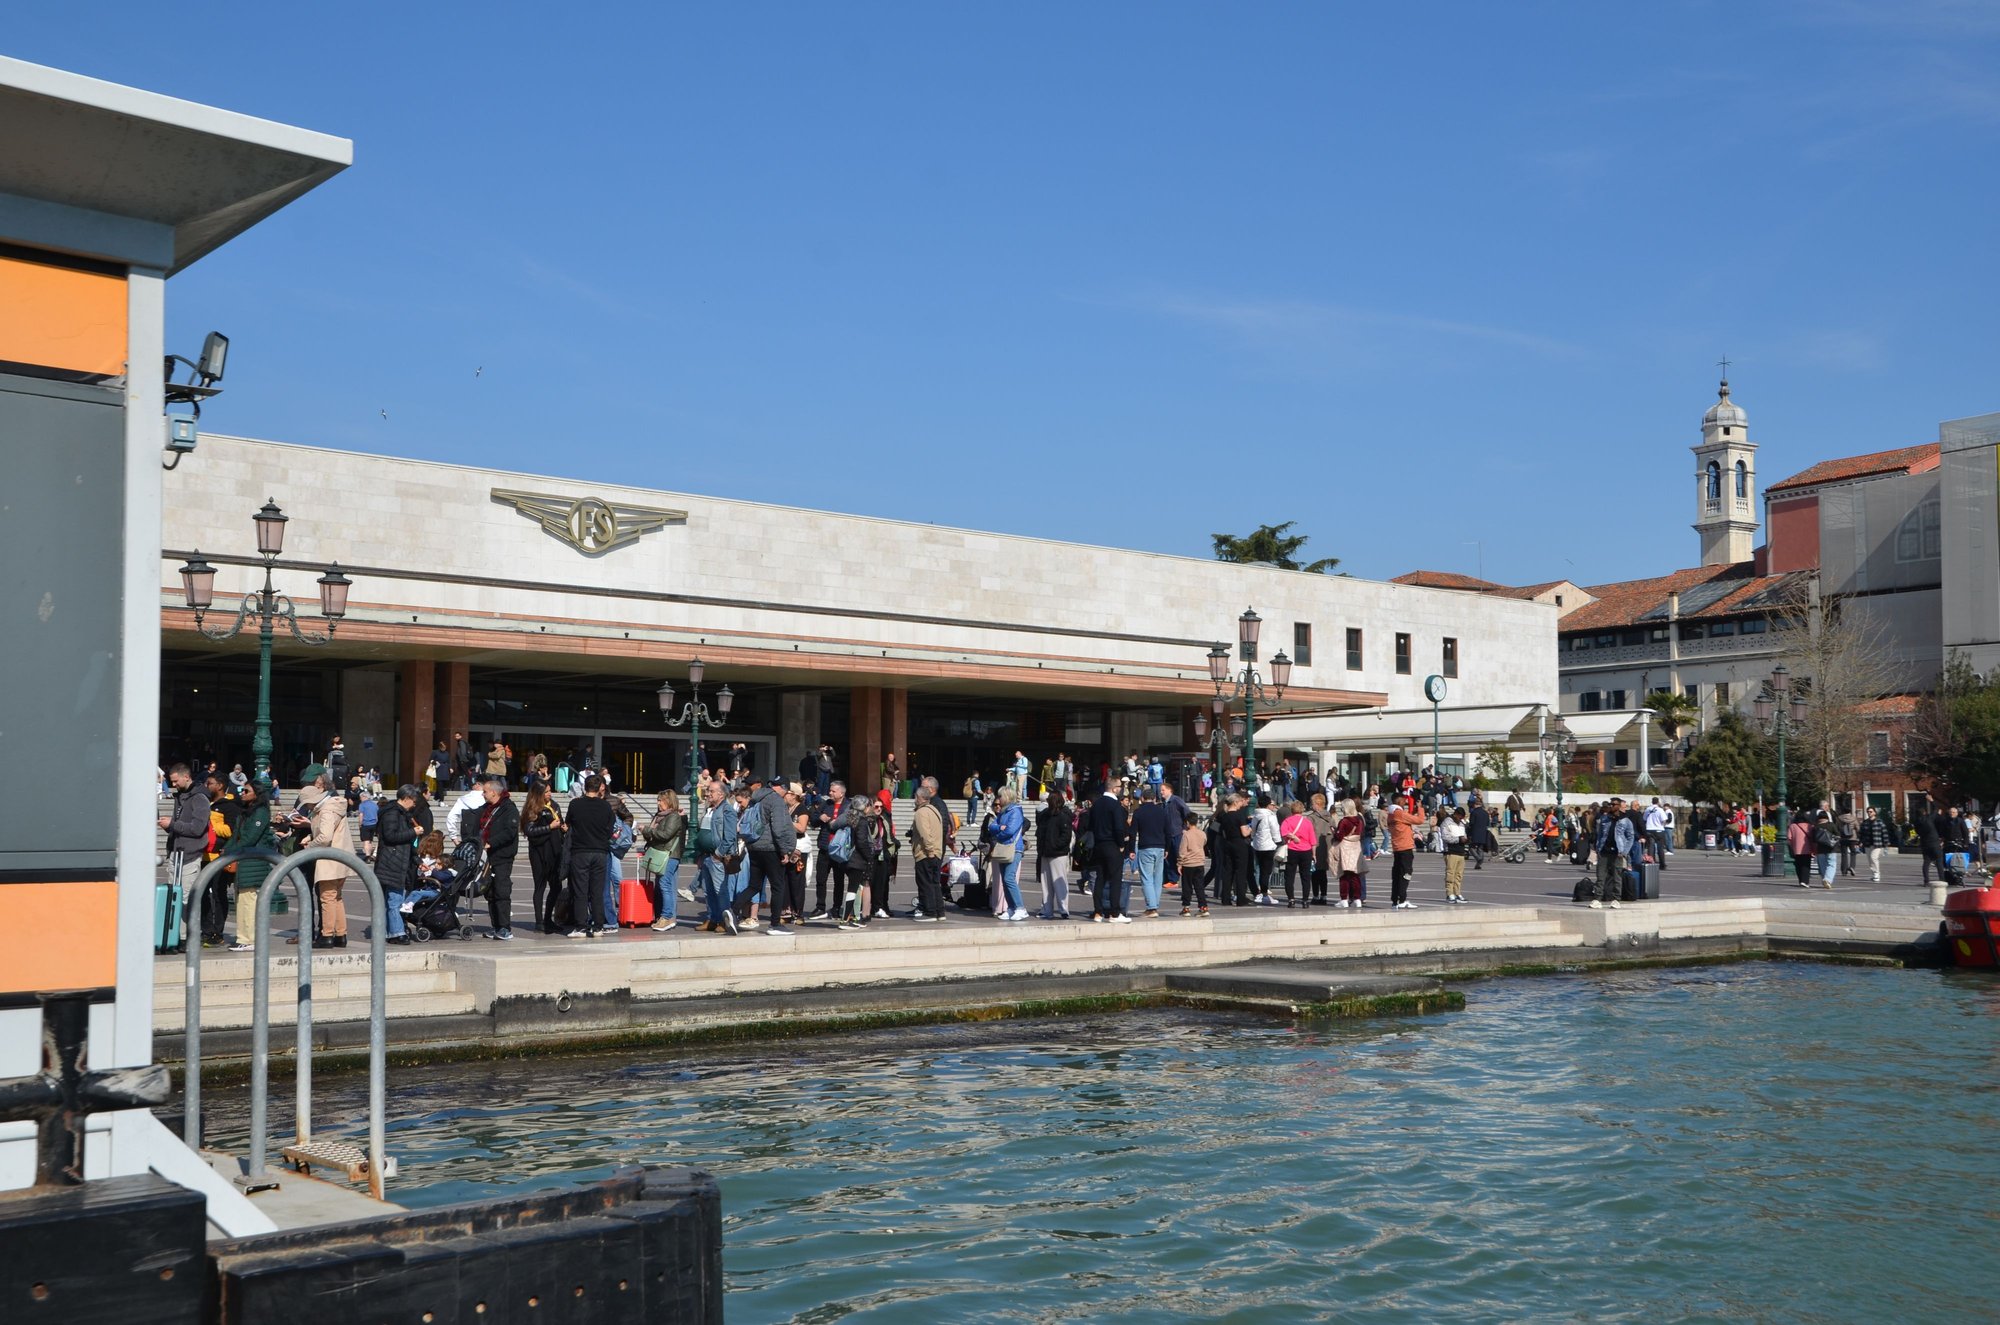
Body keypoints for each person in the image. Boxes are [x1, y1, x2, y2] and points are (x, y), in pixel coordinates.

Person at [295, 763, 354, 947]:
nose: (309, 806)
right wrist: (311, 835)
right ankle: (340, 934)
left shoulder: (326, 810)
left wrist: (310, 844)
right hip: (341, 856)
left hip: (329, 858)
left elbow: (325, 837)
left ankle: (327, 934)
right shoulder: (333, 805)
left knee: (327, 897)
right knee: (336, 897)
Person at [157, 763, 210, 950]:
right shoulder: (181, 797)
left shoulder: (200, 798)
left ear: (186, 777)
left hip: (189, 855)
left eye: (175, 781)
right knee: (175, 897)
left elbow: (197, 828)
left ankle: (185, 938)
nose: (174, 785)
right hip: (177, 854)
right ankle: (174, 936)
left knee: (185, 898)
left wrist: (173, 824)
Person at [461, 775, 520, 939]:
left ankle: (505, 928)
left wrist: (491, 842)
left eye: (485, 792)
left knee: (502, 891)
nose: (483, 794)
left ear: (494, 792)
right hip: (485, 857)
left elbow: (510, 832)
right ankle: (496, 926)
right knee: (490, 892)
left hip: (501, 856)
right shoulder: (486, 808)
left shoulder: (509, 808)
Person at [222, 782, 275, 952]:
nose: (242, 793)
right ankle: (244, 937)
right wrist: (226, 850)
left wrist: (229, 851)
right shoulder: (245, 813)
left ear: (257, 794)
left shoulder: (261, 812)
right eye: (241, 790)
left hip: (253, 862)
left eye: (246, 791)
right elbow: (236, 835)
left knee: (248, 902)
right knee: (242, 900)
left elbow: (250, 839)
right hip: (243, 861)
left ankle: (248, 938)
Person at [563, 775, 614, 938]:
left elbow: (569, 823)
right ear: (599, 787)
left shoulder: (575, 804)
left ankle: (581, 926)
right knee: (597, 890)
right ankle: (598, 926)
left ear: (585, 787)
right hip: (600, 851)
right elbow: (610, 827)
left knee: (581, 890)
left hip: (581, 851)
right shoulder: (605, 806)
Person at [374, 785, 424, 945]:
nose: (414, 804)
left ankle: (389, 931)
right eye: (414, 801)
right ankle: (396, 932)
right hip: (392, 862)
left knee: (391, 899)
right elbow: (390, 836)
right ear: (407, 798)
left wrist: (417, 861)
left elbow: (406, 843)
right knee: (394, 899)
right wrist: (413, 833)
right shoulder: (393, 813)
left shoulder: (400, 813)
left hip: (396, 860)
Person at [809, 782, 856, 920]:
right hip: (825, 847)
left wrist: (835, 822)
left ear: (841, 793)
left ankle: (836, 907)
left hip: (839, 849)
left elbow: (851, 822)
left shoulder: (849, 805)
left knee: (839, 880)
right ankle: (820, 906)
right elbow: (813, 820)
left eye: (833, 791)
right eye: (830, 790)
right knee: (821, 879)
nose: (830, 793)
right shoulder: (826, 804)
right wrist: (820, 818)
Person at [523, 784, 566, 933]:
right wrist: (549, 827)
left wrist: (563, 827)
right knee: (540, 886)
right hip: (539, 851)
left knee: (556, 886)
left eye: (550, 791)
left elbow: (560, 820)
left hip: (554, 850)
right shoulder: (534, 807)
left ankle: (548, 919)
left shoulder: (554, 805)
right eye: (546, 791)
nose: (550, 794)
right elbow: (529, 830)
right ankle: (539, 921)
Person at [1088, 780, 1132, 923]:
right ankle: (1114, 912)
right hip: (1112, 845)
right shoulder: (1115, 806)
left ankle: (1098, 912)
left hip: (1098, 845)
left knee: (1100, 878)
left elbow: (1091, 825)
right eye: (1120, 787)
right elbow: (1119, 828)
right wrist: (1121, 844)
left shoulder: (1097, 804)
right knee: (1115, 879)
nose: (1121, 789)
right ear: (1114, 789)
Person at [644, 790, 687, 931]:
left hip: (669, 855)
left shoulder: (673, 816)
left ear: (669, 801)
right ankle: (664, 916)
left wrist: (647, 830)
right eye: (657, 800)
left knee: (665, 884)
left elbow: (665, 834)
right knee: (663, 884)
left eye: (661, 800)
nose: (658, 803)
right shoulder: (660, 817)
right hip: (661, 854)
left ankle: (667, 917)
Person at [984, 785, 1029, 921]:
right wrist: (999, 828)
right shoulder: (1004, 812)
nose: (999, 799)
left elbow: (1010, 830)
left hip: (1014, 848)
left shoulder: (1015, 811)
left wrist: (999, 833)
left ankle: (1020, 908)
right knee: (1005, 879)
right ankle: (1011, 908)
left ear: (1008, 797)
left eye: (1000, 796)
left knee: (1009, 878)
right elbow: (991, 826)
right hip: (1005, 847)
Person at [1130, 784, 1172, 918]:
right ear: (1154, 798)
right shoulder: (1162, 811)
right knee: (1158, 878)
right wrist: (1167, 848)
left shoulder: (1138, 812)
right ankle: (1155, 905)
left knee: (1147, 878)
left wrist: (1131, 849)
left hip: (1145, 846)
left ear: (1142, 798)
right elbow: (1168, 832)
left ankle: (1151, 907)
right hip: (1160, 846)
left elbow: (1132, 833)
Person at [910, 786, 949, 922]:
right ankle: (940, 912)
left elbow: (925, 834)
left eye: (915, 797)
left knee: (925, 883)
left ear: (920, 798)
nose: (914, 800)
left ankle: (930, 912)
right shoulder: (934, 810)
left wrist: (930, 851)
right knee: (935, 883)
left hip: (926, 854)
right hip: (936, 852)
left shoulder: (921, 812)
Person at [1586, 796, 1631, 909]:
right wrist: (1598, 847)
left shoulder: (1625, 820)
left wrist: (1625, 851)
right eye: (1610, 804)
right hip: (1604, 850)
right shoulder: (1605, 819)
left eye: (1613, 804)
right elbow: (1600, 833)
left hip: (1618, 852)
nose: (1611, 806)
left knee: (1617, 877)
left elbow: (1630, 837)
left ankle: (1616, 899)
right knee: (1600, 876)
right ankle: (1597, 899)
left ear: (1619, 806)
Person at [1036, 790, 1074, 919]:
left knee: (1059, 882)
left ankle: (1064, 909)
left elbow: (1066, 835)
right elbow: (1040, 831)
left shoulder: (1063, 815)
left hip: (1057, 853)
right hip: (1047, 852)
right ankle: (1047, 909)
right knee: (1046, 884)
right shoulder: (1045, 815)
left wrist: (1055, 845)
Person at [1212, 791, 1254, 908]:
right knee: (1240, 871)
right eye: (1240, 801)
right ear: (1235, 802)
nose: (1241, 803)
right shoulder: (1239, 815)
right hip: (1239, 844)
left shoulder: (1224, 816)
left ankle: (1225, 898)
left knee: (1228, 871)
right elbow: (1244, 833)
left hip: (1227, 843)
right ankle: (1241, 899)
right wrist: (1251, 828)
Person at [1385, 797, 1426, 910]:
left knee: (1397, 875)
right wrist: (1420, 808)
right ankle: (1402, 899)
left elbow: (1405, 822)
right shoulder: (1399, 813)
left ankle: (1395, 901)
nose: (1406, 802)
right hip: (1405, 848)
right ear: (1398, 802)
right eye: (1403, 801)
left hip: (1397, 848)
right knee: (1406, 874)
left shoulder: (1390, 814)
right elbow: (1420, 820)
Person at [1278, 800, 1317, 908]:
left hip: (1292, 850)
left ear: (1292, 810)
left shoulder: (1287, 821)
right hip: (1306, 850)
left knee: (1289, 876)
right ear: (1302, 810)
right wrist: (1314, 854)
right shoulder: (1307, 822)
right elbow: (1313, 840)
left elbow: (1283, 832)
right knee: (1305, 876)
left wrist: (1293, 837)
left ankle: (1291, 899)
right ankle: (1305, 900)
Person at [1248, 794, 1282, 905]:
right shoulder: (1270, 816)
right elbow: (1275, 830)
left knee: (1259, 868)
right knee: (1266, 871)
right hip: (1268, 845)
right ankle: (1264, 893)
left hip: (1257, 845)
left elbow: (1253, 830)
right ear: (1268, 805)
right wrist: (1278, 841)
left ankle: (1260, 892)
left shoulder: (1256, 815)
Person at [1177, 806, 1209, 916]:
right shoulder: (1202, 833)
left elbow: (1182, 850)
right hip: (1199, 862)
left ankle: (1186, 908)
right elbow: (1204, 843)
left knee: (1187, 886)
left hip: (1188, 863)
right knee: (1199, 886)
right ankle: (1203, 907)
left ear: (1187, 822)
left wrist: (1179, 863)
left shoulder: (1186, 835)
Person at [1441, 807, 1470, 903]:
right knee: (1450, 873)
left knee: (1459, 875)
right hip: (1451, 851)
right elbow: (1445, 837)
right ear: (1456, 814)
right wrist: (1458, 839)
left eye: (1462, 818)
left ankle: (1457, 893)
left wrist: (1466, 840)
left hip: (1461, 852)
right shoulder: (1447, 822)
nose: (1460, 819)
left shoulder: (1461, 824)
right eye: (1460, 817)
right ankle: (1449, 894)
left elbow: (1464, 835)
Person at [1857, 805, 1892, 883]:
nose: (1869, 813)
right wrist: (1860, 842)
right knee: (1870, 860)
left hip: (1877, 843)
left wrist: (1886, 843)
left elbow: (1884, 832)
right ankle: (1874, 873)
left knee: (1874, 858)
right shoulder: (1865, 822)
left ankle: (1876, 874)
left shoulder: (1879, 822)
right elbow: (1861, 833)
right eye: (1868, 812)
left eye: (1871, 811)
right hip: (1867, 843)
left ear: (1875, 813)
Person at [1811, 808, 1840, 890]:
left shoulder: (1816, 827)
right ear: (1827, 817)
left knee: (1822, 866)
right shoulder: (1831, 825)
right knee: (1831, 864)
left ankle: (1825, 879)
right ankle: (1827, 879)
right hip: (1831, 849)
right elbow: (1838, 835)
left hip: (1820, 849)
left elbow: (1813, 839)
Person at [1786, 811, 1814, 888]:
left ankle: (1800, 880)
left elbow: (1789, 838)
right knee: (1806, 865)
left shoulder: (1792, 826)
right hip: (1807, 849)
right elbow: (1812, 838)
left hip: (1796, 849)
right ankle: (1805, 881)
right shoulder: (1809, 826)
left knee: (1798, 865)